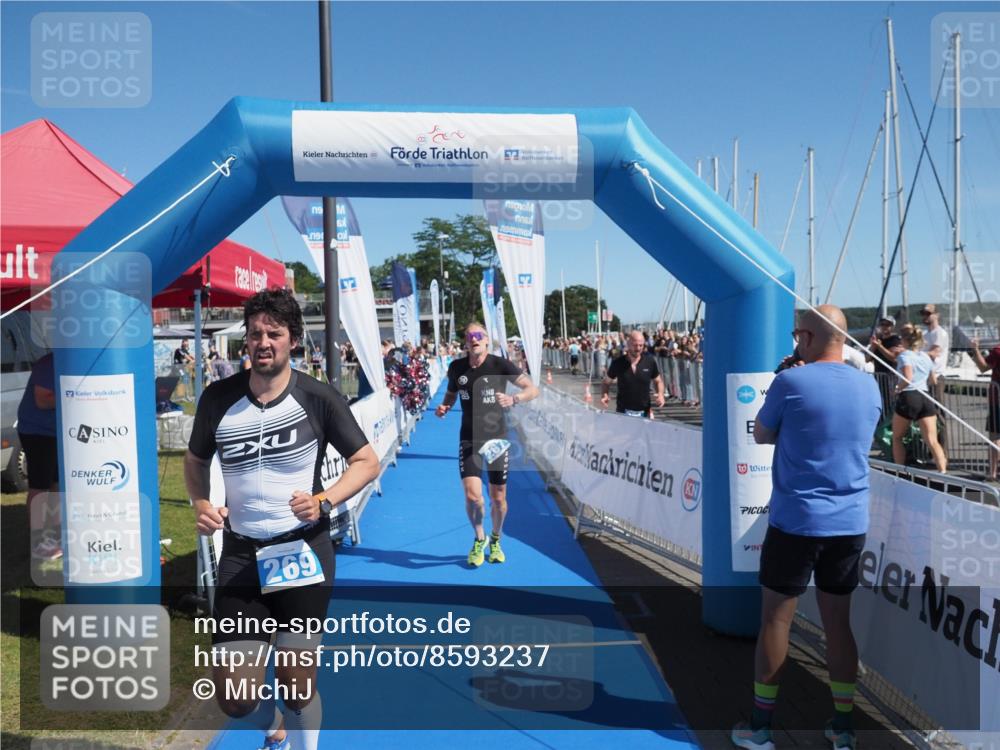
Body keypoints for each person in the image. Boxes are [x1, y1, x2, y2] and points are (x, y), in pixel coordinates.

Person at [185, 288, 379, 750]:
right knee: (233, 697)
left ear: (292, 339)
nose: (263, 342)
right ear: (245, 342)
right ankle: (274, 730)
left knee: (297, 685)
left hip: (302, 552)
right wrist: (199, 503)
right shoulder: (218, 398)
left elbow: (366, 461)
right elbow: (194, 462)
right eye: (255, 334)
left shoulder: (318, 397)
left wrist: (325, 501)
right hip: (240, 556)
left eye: (274, 333)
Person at [732, 305, 882, 750]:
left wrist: (785, 387)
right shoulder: (869, 385)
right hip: (850, 522)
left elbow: (761, 433)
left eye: (798, 335)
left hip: (797, 520)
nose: (795, 343)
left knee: (776, 621)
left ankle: (761, 728)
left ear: (810, 337)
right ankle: (843, 728)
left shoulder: (790, 381)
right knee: (838, 624)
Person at [435, 322, 539, 567]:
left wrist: (514, 398)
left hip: (496, 440)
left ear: (486, 340)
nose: (475, 340)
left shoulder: (499, 365)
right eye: (470, 336)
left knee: (498, 497)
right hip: (469, 438)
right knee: (473, 497)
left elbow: (532, 389)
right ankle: (479, 538)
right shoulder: (457, 367)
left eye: (479, 336)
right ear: (466, 341)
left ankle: (496, 538)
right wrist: (445, 406)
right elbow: (452, 393)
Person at [17, 353, 62, 560]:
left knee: (56, 484)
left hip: (56, 431)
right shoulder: (49, 363)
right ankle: (38, 542)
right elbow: (43, 400)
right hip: (37, 431)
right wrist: (73, 394)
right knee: (40, 486)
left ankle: (55, 535)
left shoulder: (71, 359)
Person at [891, 327, 947, 473]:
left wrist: (897, 388)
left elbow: (908, 378)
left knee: (897, 438)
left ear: (904, 340)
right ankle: (943, 472)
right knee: (932, 440)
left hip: (909, 396)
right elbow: (933, 380)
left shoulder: (904, 356)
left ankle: (899, 471)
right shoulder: (925, 356)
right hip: (925, 396)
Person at [600, 330, 665, 417]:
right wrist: (605, 394)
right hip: (623, 413)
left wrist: (660, 395)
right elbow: (606, 382)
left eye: (641, 345)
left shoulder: (649, 361)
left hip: (645, 413)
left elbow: (658, 381)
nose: (638, 348)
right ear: (628, 344)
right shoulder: (618, 363)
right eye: (635, 345)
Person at [971, 335, 1000, 480]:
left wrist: (975, 350)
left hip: (997, 401)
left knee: (994, 437)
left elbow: (983, 367)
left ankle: (993, 472)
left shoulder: (997, 351)